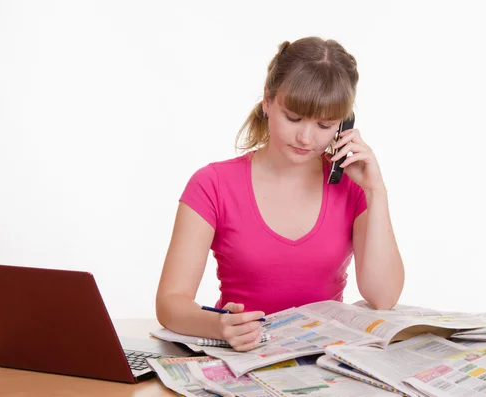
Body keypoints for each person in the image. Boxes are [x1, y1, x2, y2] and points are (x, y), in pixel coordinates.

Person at [156, 36, 404, 352]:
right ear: (268, 101)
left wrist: (376, 191)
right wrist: (220, 326)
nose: (305, 137)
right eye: (294, 117)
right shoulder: (212, 183)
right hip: (242, 357)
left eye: (324, 124)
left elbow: (383, 297)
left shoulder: (352, 188)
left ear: (343, 125)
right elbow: (170, 302)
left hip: (324, 360)